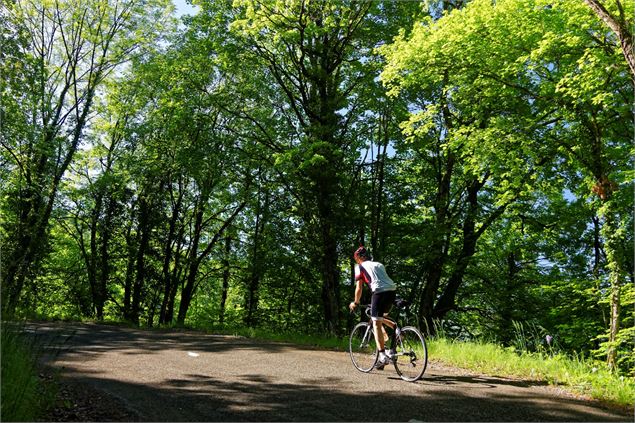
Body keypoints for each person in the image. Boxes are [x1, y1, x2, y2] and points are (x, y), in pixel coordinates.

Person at [348, 245, 397, 368]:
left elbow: (359, 287)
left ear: (358, 258)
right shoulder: (379, 264)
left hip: (379, 292)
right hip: (391, 292)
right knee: (380, 318)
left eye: (356, 259)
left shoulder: (359, 267)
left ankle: (382, 356)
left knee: (376, 323)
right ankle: (397, 330)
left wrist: (355, 302)